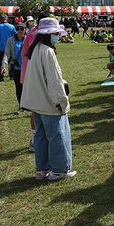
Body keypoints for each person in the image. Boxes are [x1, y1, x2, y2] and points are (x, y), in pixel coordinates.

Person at [20, 18, 75, 181]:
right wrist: (61, 101)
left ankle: (42, 169)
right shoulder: (47, 51)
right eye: (56, 32)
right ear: (49, 33)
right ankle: (59, 169)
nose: (58, 35)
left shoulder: (35, 48)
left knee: (41, 137)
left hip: (37, 102)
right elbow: (54, 79)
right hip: (49, 102)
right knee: (58, 136)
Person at [1, 23, 27, 114]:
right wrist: (3, 66)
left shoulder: (28, 39)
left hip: (27, 68)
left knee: (29, 87)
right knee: (18, 87)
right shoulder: (11, 40)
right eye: (17, 28)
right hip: (15, 67)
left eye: (21, 28)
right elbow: (6, 53)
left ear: (25, 29)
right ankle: (21, 106)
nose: (19, 30)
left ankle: (30, 105)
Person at [0, 14, 16, 82]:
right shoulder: (11, 26)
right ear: (7, 19)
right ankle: (12, 76)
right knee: (11, 62)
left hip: (1, 47)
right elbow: (15, 35)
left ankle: (1, 77)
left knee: (0, 63)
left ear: (0, 19)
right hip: (10, 47)